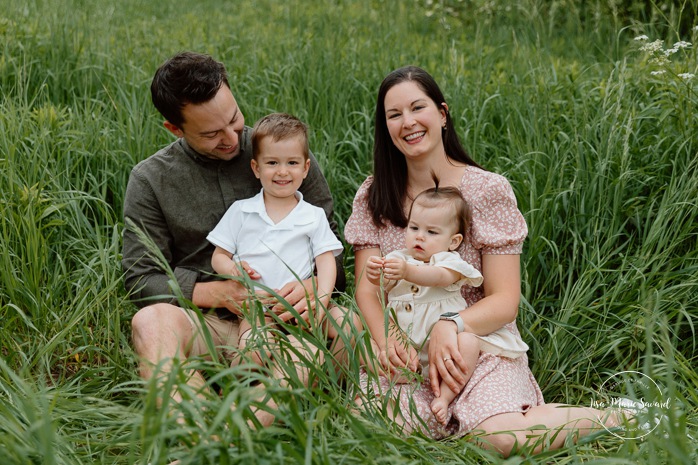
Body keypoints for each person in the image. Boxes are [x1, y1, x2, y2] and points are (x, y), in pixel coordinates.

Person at [344, 65, 620, 456]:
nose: (407, 122)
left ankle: (619, 418)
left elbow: (505, 299)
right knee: (377, 436)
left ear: (442, 114)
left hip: (479, 343)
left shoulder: (486, 190)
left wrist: (451, 324)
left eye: (417, 108)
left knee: (498, 438)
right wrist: (385, 338)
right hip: (406, 352)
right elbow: (366, 289)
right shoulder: (375, 194)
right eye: (394, 114)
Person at [122, 52, 349, 427]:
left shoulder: (282, 154)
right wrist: (218, 293)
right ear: (174, 129)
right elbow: (140, 277)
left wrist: (314, 287)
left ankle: (224, 437)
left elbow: (333, 249)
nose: (231, 139)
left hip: (287, 321)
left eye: (234, 119)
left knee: (342, 327)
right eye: (211, 134)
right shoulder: (150, 180)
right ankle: (204, 429)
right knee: (149, 323)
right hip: (208, 325)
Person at [364, 180, 529, 425]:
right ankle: (410, 383)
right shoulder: (399, 258)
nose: (420, 236)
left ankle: (445, 397)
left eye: (431, 232)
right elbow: (381, 291)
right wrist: (376, 274)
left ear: (453, 241)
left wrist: (406, 272)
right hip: (411, 345)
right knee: (391, 371)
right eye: (414, 227)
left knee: (469, 343)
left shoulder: (449, 262)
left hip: (446, 344)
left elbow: (438, 278)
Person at [207, 113, 344, 367]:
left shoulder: (313, 216)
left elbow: (326, 261)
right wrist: (231, 269)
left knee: (348, 324)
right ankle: (244, 388)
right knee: (254, 347)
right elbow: (218, 255)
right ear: (256, 168)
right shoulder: (241, 211)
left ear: (305, 168)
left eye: (292, 163)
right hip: (258, 306)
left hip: (302, 306)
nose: (282, 171)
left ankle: (332, 382)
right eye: (272, 163)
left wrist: (322, 299)